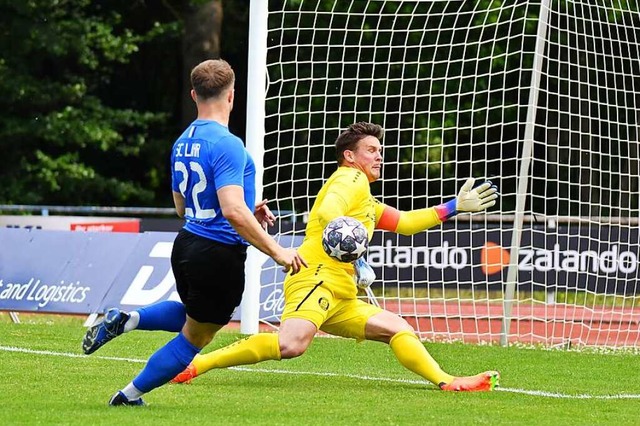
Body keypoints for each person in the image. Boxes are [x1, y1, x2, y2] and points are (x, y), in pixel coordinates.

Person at [169, 121, 501, 392]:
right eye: (371, 150)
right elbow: (329, 212)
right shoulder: (350, 177)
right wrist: (356, 257)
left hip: (340, 290)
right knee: (291, 345)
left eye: (380, 150)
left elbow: (404, 223)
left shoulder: (366, 200)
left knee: (397, 328)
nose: (378, 156)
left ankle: (448, 381)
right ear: (350, 156)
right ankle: (196, 365)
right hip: (315, 277)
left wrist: (453, 207)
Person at [81, 58, 307, 406]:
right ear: (232, 95)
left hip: (187, 242)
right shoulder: (228, 143)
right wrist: (278, 251)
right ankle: (128, 395)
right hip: (217, 252)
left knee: (194, 313)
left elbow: (183, 207)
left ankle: (129, 319)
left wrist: (247, 208)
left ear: (193, 94)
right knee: (196, 337)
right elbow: (231, 210)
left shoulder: (183, 141)